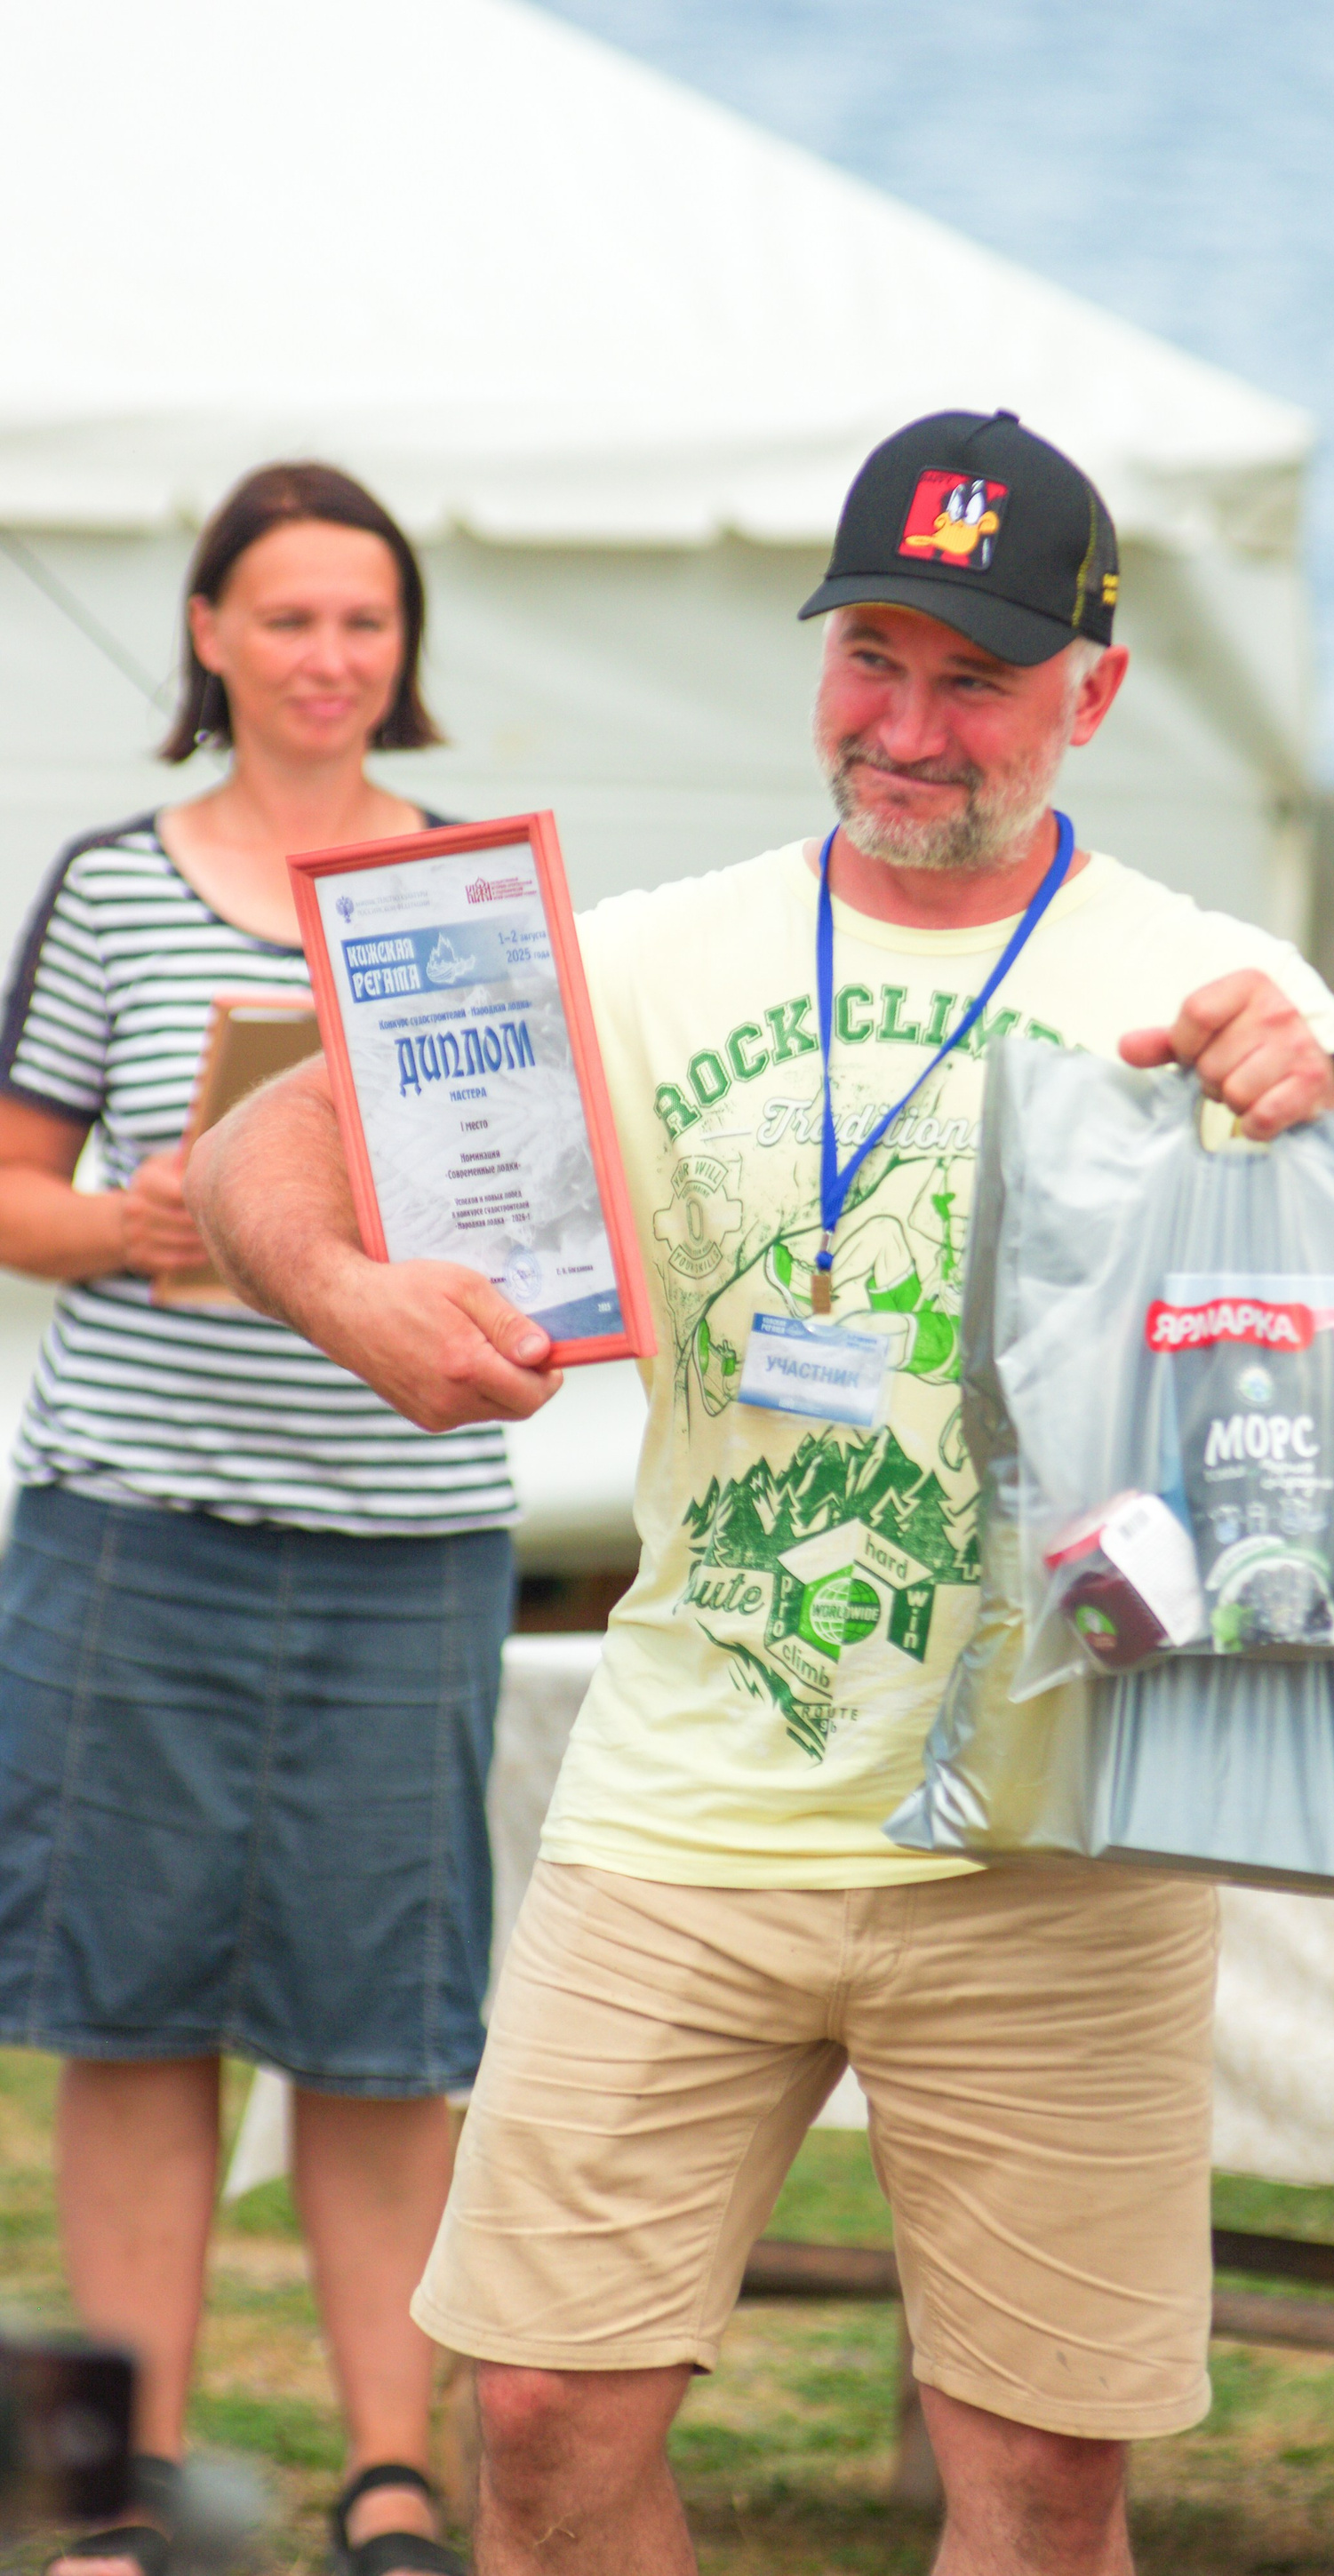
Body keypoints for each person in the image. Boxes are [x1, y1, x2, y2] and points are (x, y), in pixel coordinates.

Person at [188, 412, 1334, 2576]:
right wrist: (353, 1296)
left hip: (1062, 1837)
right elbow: (264, 1145)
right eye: (872, 658)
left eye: (975, 679)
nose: (907, 729)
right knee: (537, 2421)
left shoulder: (1219, 984)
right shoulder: (659, 953)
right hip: (683, 1808)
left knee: (1045, 2484)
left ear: (1097, 692)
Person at [0, 464, 511, 2576]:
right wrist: (123, 1226)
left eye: (365, 621)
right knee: (132, 2023)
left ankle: (394, 2479)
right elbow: (9, 1185)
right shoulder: (110, 886)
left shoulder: (468, 897)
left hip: (412, 1543)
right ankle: (120, 2491)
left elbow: (529, 1183)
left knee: (384, 2035)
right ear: (207, 633)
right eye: (288, 617)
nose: (328, 657)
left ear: (405, 653)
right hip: (138, 1534)